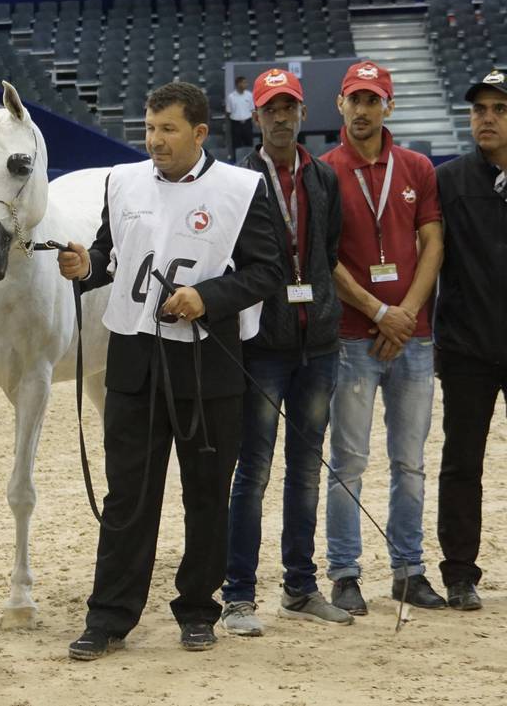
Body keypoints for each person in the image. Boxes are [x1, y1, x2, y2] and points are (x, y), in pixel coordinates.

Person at [58, 82, 283, 656]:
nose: (154, 140)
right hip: (133, 361)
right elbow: (109, 256)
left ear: (200, 133)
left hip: (209, 365)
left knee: (207, 495)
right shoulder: (123, 182)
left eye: (168, 130)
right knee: (127, 496)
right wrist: (87, 265)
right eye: (150, 128)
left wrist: (207, 296)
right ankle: (108, 616)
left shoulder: (241, 189)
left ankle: (198, 609)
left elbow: (265, 271)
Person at [222, 68, 351, 636]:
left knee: (305, 471)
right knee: (252, 470)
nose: (281, 117)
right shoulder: (237, 180)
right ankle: (238, 595)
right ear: (256, 117)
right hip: (262, 346)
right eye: (271, 109)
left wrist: (316, 307)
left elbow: (326, 252)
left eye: (289, 108)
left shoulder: (322, 179)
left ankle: (300, 587)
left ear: (302, 114)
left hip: (318, 344)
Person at [321, 61, 446, 615]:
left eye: (373, 100)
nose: (364, 110)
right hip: (351, 337)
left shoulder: (418, 167)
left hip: (414, 338)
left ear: (388, 106)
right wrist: (378, 310)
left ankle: (408, 570)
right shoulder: (323, 171)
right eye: (355, 99)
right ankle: (345, 573)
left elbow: (433, 244)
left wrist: (406, 313)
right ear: (340, 106)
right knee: (347, 460)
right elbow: (322, 258)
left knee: (410, 462)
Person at [432, 68, 507, 611]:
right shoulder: (450, 180)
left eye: (500, 109)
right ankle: (460, 572)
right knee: (462, 463)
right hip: (467, 349)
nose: (486, 118)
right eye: (480, 109)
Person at [226, 76, 255, 154]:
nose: (246, 84)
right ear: (238, 84)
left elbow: (252, 109)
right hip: (236, 124)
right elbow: (228, 112)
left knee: (249, 143)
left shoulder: (249, 95)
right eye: (244, 83)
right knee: (236, 144)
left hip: (247, 123)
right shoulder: (231, 97)